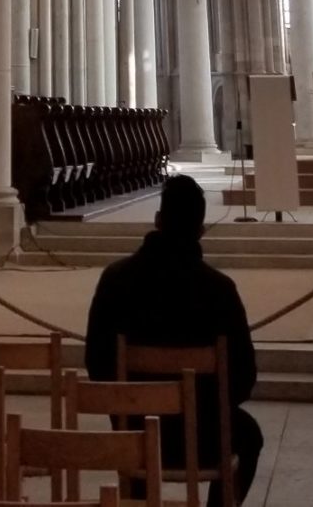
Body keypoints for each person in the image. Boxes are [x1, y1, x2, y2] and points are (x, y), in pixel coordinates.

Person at [84, 173, 261, 507]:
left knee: (132, 425)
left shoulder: (116, 280)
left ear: (157, 220)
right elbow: (244, 379)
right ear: (200, 230)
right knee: (249, 436)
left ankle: (139, 502)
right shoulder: (219, 290)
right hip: (206, 434)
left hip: (134, 430)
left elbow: (97, 367)